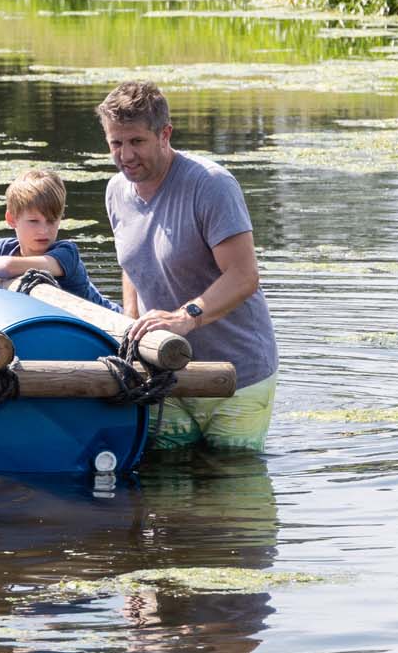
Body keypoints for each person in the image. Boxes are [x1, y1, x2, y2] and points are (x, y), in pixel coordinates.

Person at [98, 81, 278, 452]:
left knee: (231, 491)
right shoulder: (116, 191)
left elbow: (244, 276)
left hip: (237, 375)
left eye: (136, 142)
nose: (126, 155)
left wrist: (187, 316)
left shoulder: (210, 185)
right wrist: (132, 324)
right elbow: (133, 263)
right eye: (116, 143)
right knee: (166, 487)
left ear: (164, 134)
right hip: (165, 370)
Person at [0, 168, 113, 308]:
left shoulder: (66, 254)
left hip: (110, 320)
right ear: (11, 219)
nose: (44, 230)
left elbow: (8, 267)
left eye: (52, 221)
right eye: (33, 221)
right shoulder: (6, 248)